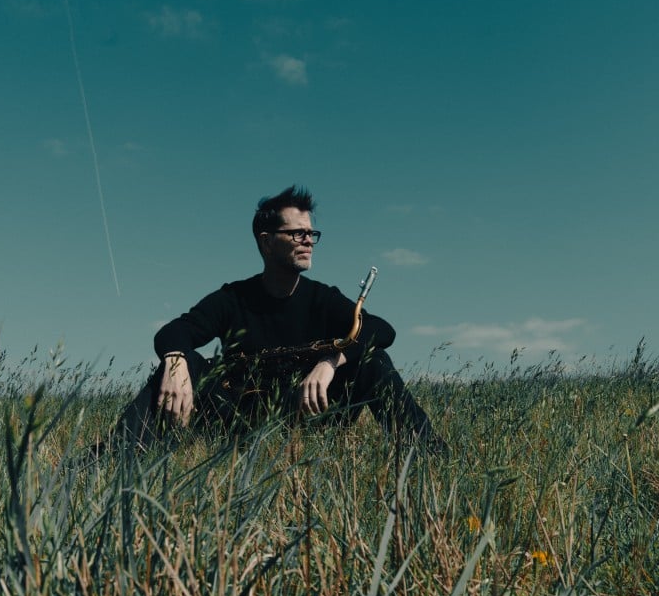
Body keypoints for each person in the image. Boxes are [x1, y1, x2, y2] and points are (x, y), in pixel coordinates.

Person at [113, 185, 444, 454]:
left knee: (375, 359)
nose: (308, 242)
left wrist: (330, 362)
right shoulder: (233, 298)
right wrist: (176, 363)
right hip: (239, 421)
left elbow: (382, 330)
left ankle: (427, 453)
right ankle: (118, 455)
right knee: (182, 363)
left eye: (311, 234)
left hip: (308, 413)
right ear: (267, 242)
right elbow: (175, 331)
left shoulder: (322, 297)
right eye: (297, 234)